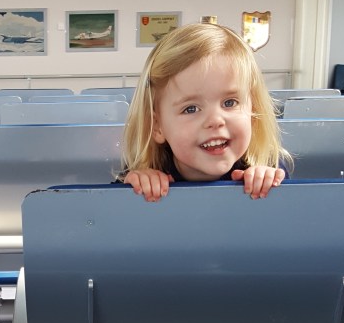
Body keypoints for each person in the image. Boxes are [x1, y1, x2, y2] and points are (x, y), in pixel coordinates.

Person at [119, 22, 291, 202]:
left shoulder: (269, 165)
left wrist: (272, 186)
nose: (215, 120)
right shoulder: (145, 173)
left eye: (229, 102)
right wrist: (133, 190)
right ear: (157, 126)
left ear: (253, 112)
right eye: (191, 109)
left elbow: (290, 213)